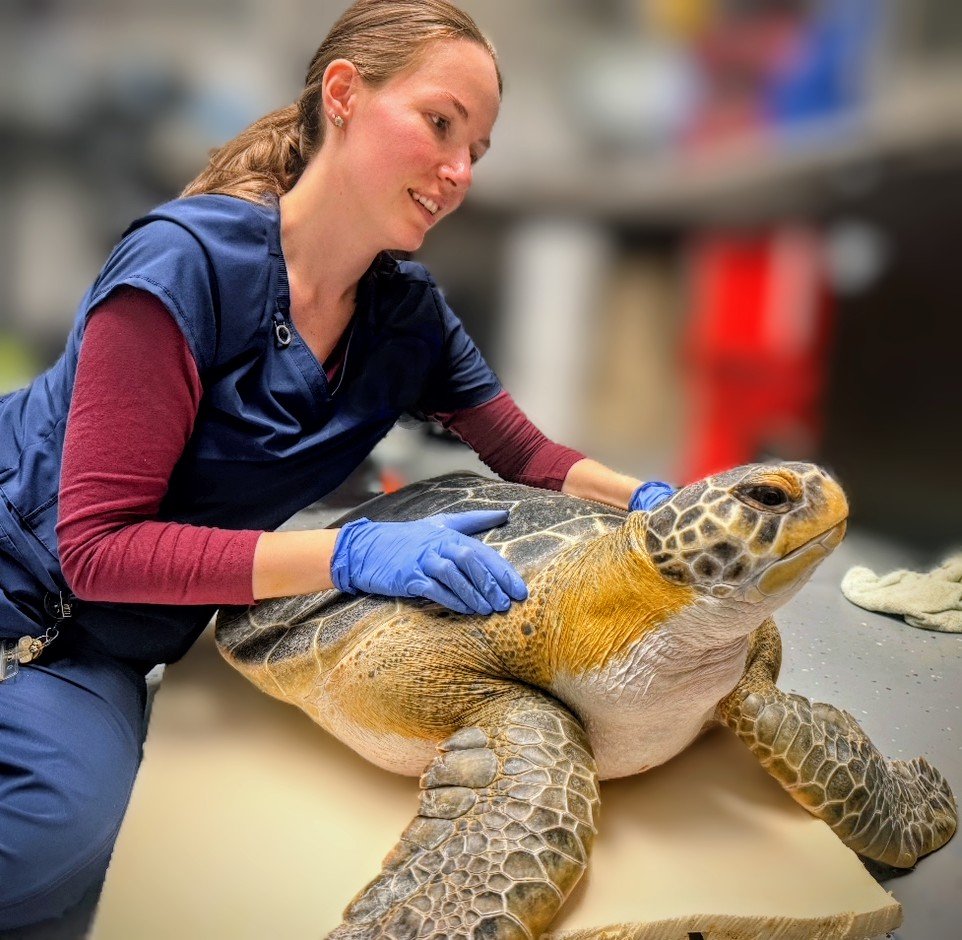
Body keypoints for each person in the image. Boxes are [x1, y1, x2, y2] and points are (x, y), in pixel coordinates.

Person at [0, 0, 674, 928]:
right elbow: (101, 549)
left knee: (61, 845)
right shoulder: (180, 267)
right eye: (440, 124)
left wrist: (652, 503)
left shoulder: (408, 319)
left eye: (476, 148)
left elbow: (527, 454)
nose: (458, 170)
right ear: (346, 95)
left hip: (102, 644)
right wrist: (346, 554)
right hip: (22, 560)